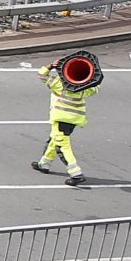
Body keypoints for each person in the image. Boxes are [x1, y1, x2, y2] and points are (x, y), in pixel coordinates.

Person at [33, 52, 103, 186]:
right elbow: (96, 88)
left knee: (62, 146)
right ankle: (44, 164)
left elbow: (41, 74)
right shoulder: (84, 89)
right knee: (54, 140)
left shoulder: (59, 84)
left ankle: (76, 173)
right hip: (74, 120)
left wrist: (51, 66)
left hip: (61, 118)